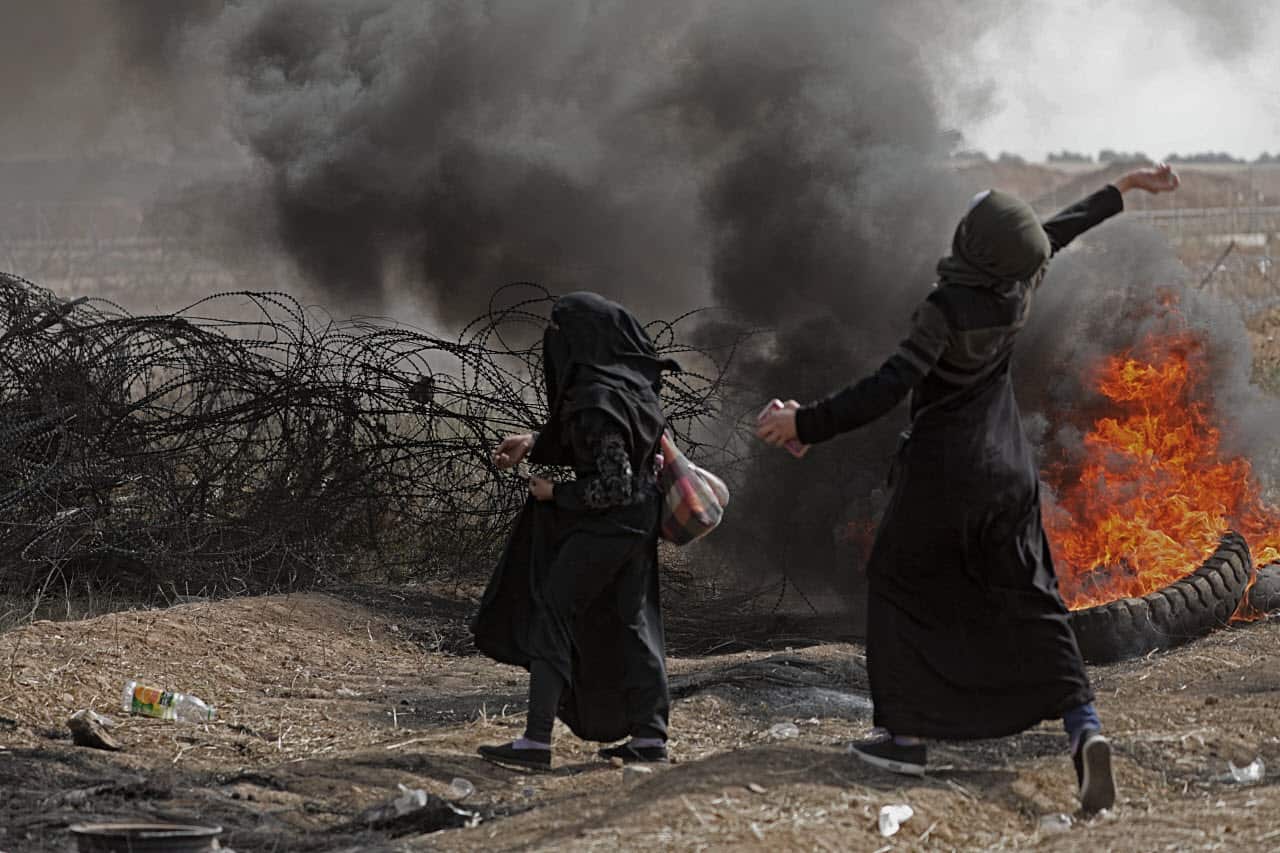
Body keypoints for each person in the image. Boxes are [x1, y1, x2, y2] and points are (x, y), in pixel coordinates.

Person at [756, 163, 1181, 812]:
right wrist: (1125, 187)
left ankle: (903, 739)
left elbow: (890, 384)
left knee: (896, 584)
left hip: (944, 474)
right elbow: (1056, 231)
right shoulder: (1019, 285)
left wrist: (805, 424)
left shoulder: (947, 307)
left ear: (975, 245)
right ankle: (1084, 727)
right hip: (1008, 471)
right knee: (1035, 598)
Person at [472, 291, 679, 771]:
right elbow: (601, 447)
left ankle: (535, 742)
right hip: (639, 521)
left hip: (611, 524)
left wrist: (556, 494)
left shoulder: (597, 397)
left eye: (560, 331)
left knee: (552, 611)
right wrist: (533, 442)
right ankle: (650, 738)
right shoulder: (633, 388)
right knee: (634, 622)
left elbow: (614, 483)